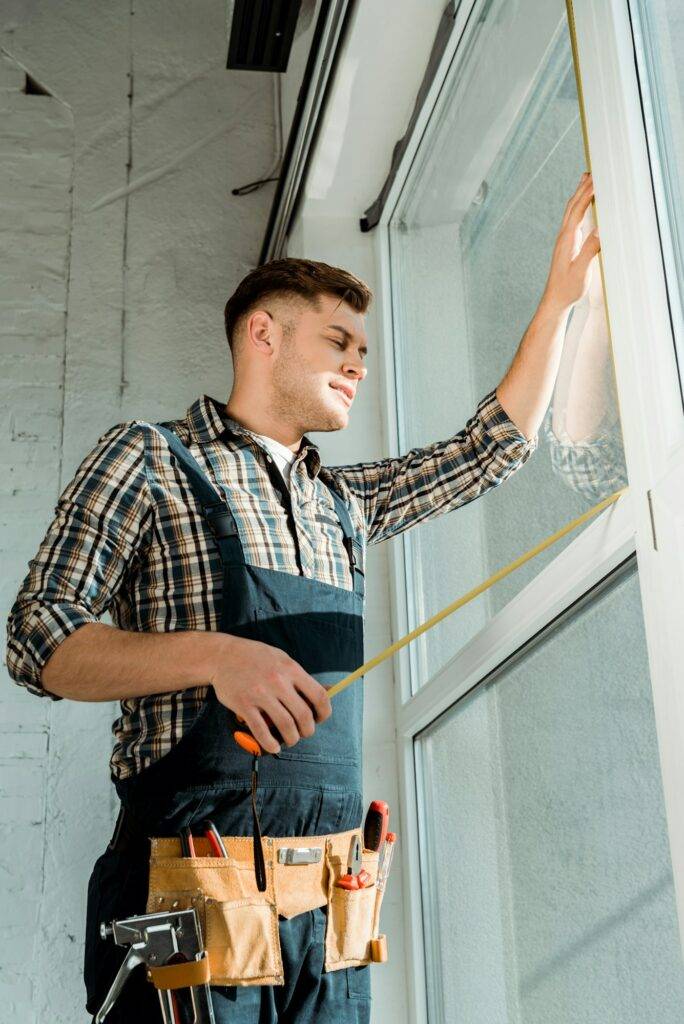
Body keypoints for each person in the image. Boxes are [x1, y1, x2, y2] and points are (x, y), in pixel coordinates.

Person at [6, 174, 600, 1023]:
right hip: (190, 898)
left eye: (363, 350)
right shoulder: (150, 459)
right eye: (338, 342)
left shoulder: (342, 504)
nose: (359, 364)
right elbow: (38, 638)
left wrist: (562, 297)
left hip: (327, 907)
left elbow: (488, 451)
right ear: (263, 336)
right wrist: (219, 655)